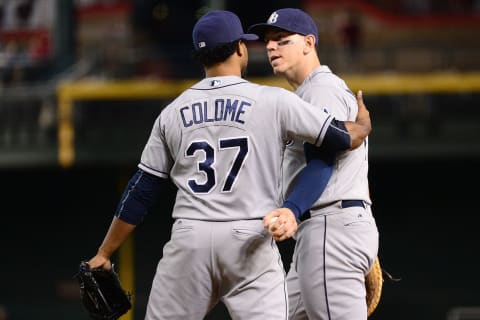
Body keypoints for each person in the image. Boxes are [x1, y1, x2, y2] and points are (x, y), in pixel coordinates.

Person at [86, 9, 371, 320]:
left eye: (280, 40)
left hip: (190, 238)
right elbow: (342, 137)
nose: (270, 47)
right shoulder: (272, 100)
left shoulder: (171, 112)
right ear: (240, 48)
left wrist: (104, 252)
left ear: (199, 56)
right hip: (248, 237)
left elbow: (141, 190)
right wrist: (363, 126)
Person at [249, 8, 379, 320]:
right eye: (268, 41)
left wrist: (293, 210)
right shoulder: (306, 93)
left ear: (309, 42)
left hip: (329, 227)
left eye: (282, 39)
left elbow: (323, 162)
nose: (271, 46)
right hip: (325, 229)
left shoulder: (321, 88)